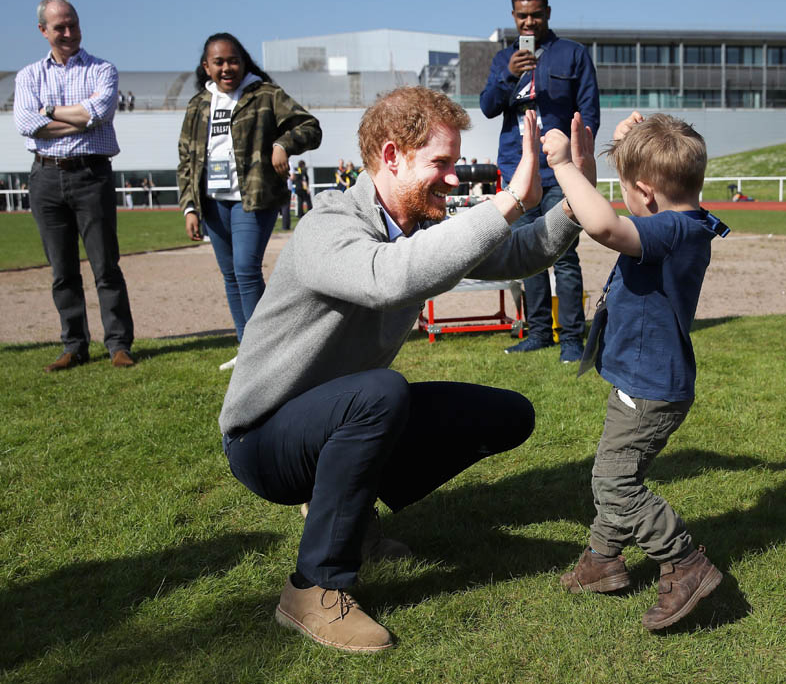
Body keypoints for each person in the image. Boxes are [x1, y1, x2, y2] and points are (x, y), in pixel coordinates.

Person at [218, 86, 584, 652]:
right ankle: (312, 589)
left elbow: (515, 254)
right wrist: (509, 199)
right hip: (262, 441)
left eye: (455, 164)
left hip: (332, 419)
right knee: (381, 395)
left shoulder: (416, 227)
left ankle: (351, 515)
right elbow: (390, 277)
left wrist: (574, 197)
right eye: (440, 163)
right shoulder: (328, 224)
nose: (454, 178)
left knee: (507, 415)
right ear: (392, 157)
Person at [542, 111, 729, 630]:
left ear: (646, 194)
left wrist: (562, 165)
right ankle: (602, 562)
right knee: (616, 470)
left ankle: (685, 563)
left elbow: (601, 223)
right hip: (642, 381)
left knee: (615, 481)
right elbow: (618, 205)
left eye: (626, 187)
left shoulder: (670, 230)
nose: (620, 198)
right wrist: (628, 143)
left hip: (649, 388)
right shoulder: (679, 221)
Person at [177, 32, 321, 371]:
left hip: (252, 197)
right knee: (230, 274)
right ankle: (247, 349)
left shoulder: (266, 95)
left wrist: (283, 143)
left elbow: (310, 127)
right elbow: (186, 157)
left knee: (246, 269)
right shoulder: (198, 105)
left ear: (244, 62)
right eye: (219, 62)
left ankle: (263, 350)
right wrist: (189, 207)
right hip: (212, 201)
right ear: (206, 66)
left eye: (233, 60)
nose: (227, 68)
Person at [13, 0, 136, 372]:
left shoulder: (102, 70)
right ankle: (74, 344)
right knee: (62, 269)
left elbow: (100, 112)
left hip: (90, 174)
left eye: (73, 24)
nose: (68, 32)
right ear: (43, 31)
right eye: (59, 27)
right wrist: (78, 119)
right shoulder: (28, 75)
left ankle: (118, 344)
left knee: (105, 265)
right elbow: (25, 124)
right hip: (46, 176)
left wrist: (48, 112)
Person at [480, 0, 600, 363]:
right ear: (513, 16)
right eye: (521, 16)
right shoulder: (503, 60)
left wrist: (580, 162)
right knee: (524, 254)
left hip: (559, 172)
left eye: (535, 14)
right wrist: (508, 76)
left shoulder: (573, 55)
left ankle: (570, 340)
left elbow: (589, 113)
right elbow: (487, 107)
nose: (528, 23)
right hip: (518, 170)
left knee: (563, 256)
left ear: (547, 12)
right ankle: (536, 334)